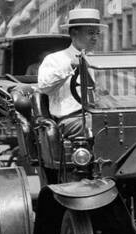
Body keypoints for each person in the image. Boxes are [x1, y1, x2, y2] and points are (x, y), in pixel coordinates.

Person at [36, 8, 104, 144]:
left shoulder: (100, 62)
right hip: (70, 120)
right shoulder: (55, 59)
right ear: (74, 33)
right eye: (90, 33)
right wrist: (70, 65)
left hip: (99, 116)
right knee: (100, 126)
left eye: (97, 33)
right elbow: (44, 87)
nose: (95, 37)